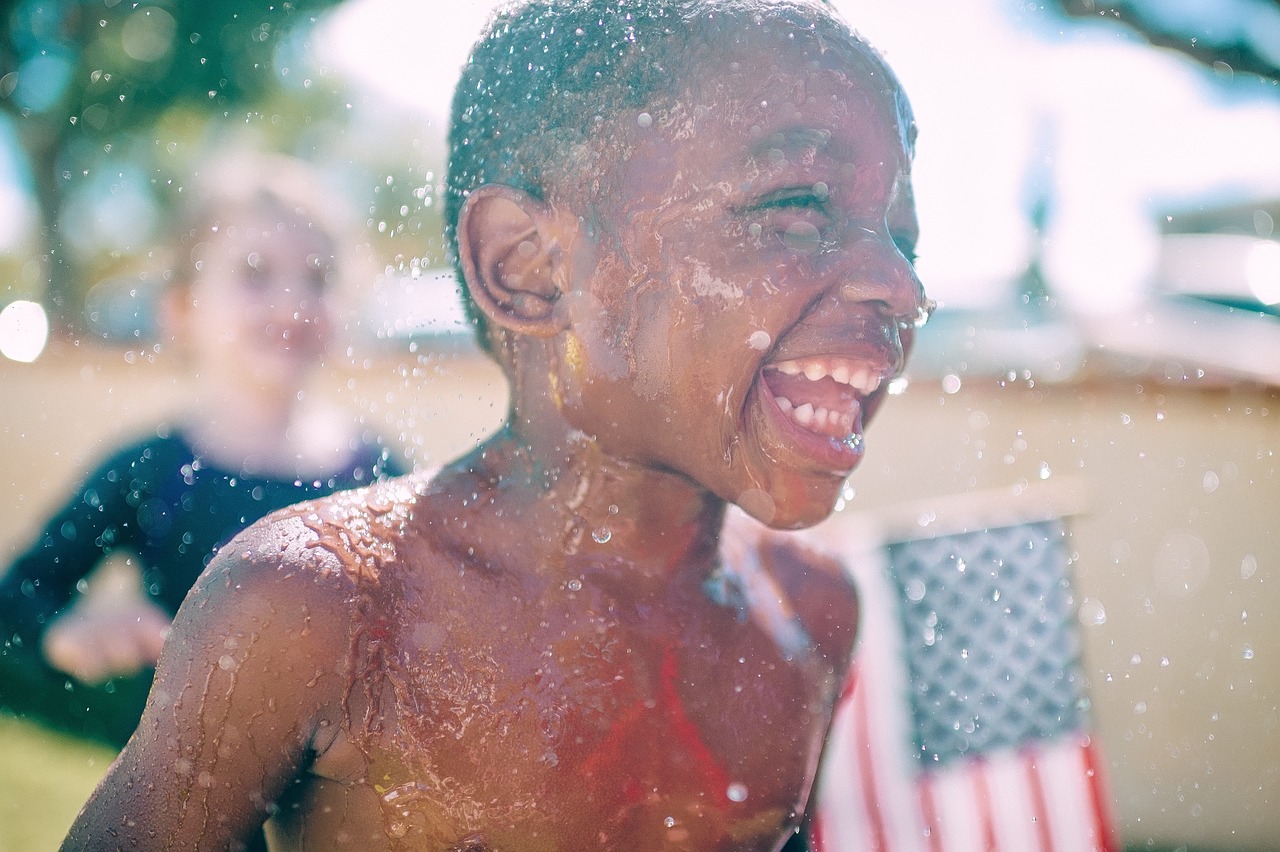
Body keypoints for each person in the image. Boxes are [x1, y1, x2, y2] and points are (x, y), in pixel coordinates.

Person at [64, 1, 929, 848]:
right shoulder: (327, 610)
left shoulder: (811, 613)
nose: (902, 286)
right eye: (797, 205)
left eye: (903, 238)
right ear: (529, 267)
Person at [0, 149, 400, 748]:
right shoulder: (152, 471)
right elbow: (17, 599)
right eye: (255, 272)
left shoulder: (378, 476)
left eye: (317, 278)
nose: (291, 303)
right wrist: (63, 633)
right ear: (183, 310)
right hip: (185, 808)